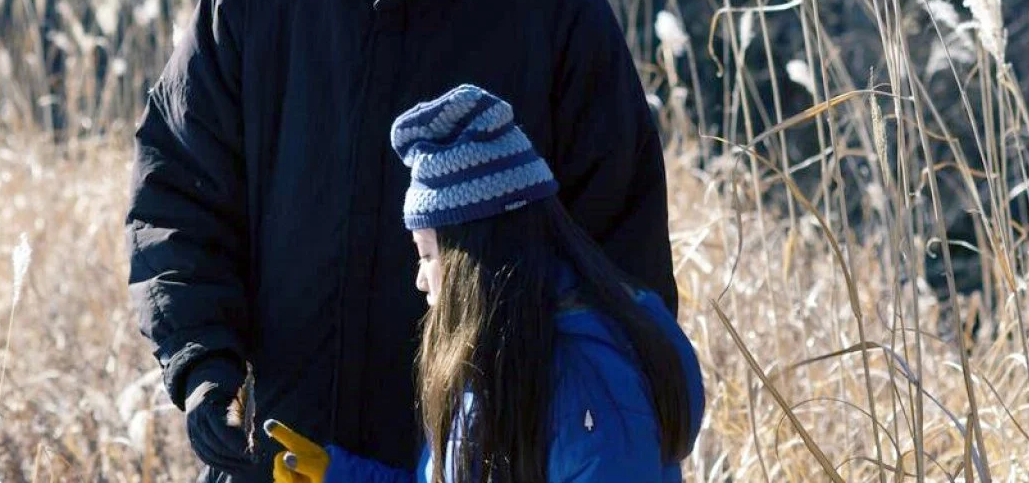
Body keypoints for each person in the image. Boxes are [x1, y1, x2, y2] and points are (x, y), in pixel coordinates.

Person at [124, 0, 678, 479]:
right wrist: (202, 364)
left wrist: (601, 414)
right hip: (284, 447)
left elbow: (618, 246)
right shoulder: (254, 0)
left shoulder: (552, 5)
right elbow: (177, 201)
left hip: (484, 445)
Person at [261, 85, 704, 483]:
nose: (420, 279)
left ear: (473, 259)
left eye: (428, 254)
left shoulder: (590, 385)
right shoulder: (504, 360)